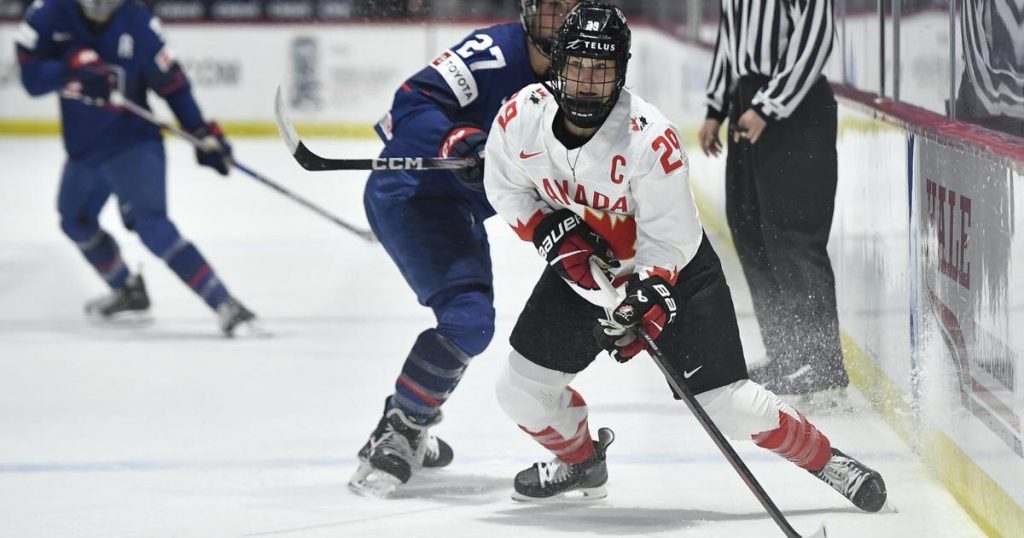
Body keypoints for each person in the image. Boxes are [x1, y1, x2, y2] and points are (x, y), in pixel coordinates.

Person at [484, 2, 886, 511]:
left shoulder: (650, 139)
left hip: (675, 279)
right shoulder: (521, 117)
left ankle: (830, 462)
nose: (588, 84)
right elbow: (504, 186)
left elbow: (667, 244)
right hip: (585, 273)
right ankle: (582, 460)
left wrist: (647, 304)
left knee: (730, 409)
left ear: (621, 73)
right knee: (519, 391)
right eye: (578, 68)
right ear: (556, 67)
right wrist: (548, 230)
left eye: (601, 71)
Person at [352, 0, 579, 496]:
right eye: (552, 6)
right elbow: (411, 100)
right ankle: (400, 428)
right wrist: (456, 139)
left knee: (473, 321)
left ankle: (411, 414)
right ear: (529, 10)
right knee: (469, 320)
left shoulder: (586, 74)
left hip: (460, 209)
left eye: (573, 5)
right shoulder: (494, 53)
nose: (563, 17)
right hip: (413, 196)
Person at [15, 0, 259, 336]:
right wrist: (70, 66)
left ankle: (227, 304)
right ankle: (128, 291)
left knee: (151, 225)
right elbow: (31, 78)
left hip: (132, 142)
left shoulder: (138, 21)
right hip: (85, 149)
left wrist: (199, 131)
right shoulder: (48, 13)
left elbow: (172, 84)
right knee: (75, 220)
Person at [698, 0, 846, 395]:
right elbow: (730, 37)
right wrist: (717, 106)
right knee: (750, 230)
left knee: (793, 235)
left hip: (794, 109)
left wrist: (769, 104)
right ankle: (787, 354)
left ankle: (822, 363)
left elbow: (816, 38)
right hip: (748, 103)